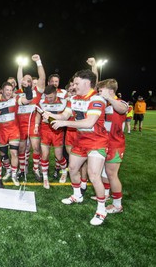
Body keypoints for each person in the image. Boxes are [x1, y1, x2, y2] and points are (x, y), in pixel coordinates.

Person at [44, 69, 109, 226]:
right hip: (81, 140)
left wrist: (64, 123)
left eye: (77, 83)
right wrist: (51, 115)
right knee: (72, 169)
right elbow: (64, 116)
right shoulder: (74, 99)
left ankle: (102, 210)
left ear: (87, 83)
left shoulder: (97, 99)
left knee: (94, 175)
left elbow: (89, 122)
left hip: (97, 141)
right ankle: (77, 195)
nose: (74, 86)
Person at [97, 79, 128, 214]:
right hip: (104, 143)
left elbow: (122, 109)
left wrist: (109, 97)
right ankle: (106, 194)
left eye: (101, 90)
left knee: (112, 174)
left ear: (110, 91)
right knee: (103, 172)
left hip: (115, 145)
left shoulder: (120, 103)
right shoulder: (105, 103)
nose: (99, 92)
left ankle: (117, 205)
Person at [36, 84, 68, 189]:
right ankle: (45, 178)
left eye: (50, 97)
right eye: (46, 97)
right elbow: (38, 115)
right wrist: (36, 125)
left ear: (55, 93)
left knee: (59, 156)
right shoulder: (42, 102)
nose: (48, 99)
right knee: (44, 155)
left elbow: (65, 116)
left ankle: (64, 171)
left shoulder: (63, 101)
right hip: (45, 130)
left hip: (57, 131)